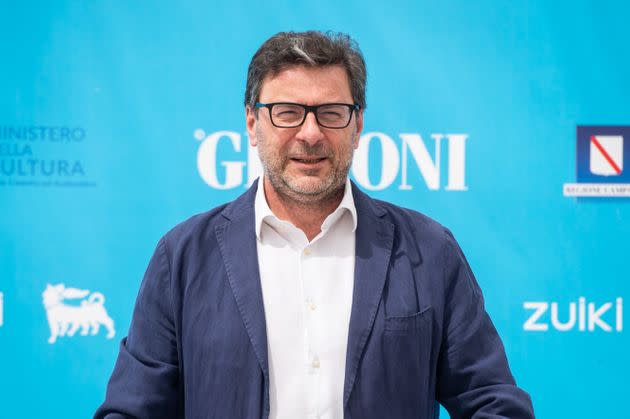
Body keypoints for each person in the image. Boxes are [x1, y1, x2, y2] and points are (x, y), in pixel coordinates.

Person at [95, 31, 534, 419]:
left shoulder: (429, 251)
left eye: (331, 112)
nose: (310, 133)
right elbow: (132, 410)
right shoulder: (184, 256)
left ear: (358, 124)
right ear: (252, 122)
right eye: (287, 112)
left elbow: (492, 400)